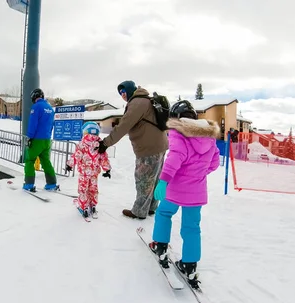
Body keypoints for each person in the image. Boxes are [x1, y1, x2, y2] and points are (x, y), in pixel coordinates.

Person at [148, 100, 220, 285]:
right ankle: (190, 266)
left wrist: (163, 181)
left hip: (175, 190)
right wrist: (198, 174)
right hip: (197, 192)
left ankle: (161, 246)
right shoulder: (208, 137)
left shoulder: (178, 134)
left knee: (164, 213)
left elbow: (174, 160)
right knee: (192, 228)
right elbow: (214, 163)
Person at [97, 80, 168, 219]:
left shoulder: (137, 103)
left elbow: (124, 125)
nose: (122, 95)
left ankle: (140, 211)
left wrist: (105, 143)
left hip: (149, 147)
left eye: (123, 92)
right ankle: (151, 207)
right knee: (154, 178)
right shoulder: (146, 100)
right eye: (120, 93)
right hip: (160, 144)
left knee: (144, 179)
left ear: (130, 90)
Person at [65, 122, 112, 219]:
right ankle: (93, 206)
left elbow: (77, 156)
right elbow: (104, 158)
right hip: (94, 173)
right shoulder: (100, 145)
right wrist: (107, 170)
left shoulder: (82, 144)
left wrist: (69, 165)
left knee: (83, 189)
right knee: (93, 189)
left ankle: (84, 208)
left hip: (84, 173)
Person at [23, 88, 58, 191]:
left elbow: (33, 124)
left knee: (29, 160)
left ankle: (29, 184)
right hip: (47, 140)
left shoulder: (36, 107)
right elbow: (52, 125)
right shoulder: (50, 108)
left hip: (37, 139)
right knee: (46, 161)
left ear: (34, 97)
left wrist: (30, 137)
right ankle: (51, 183)